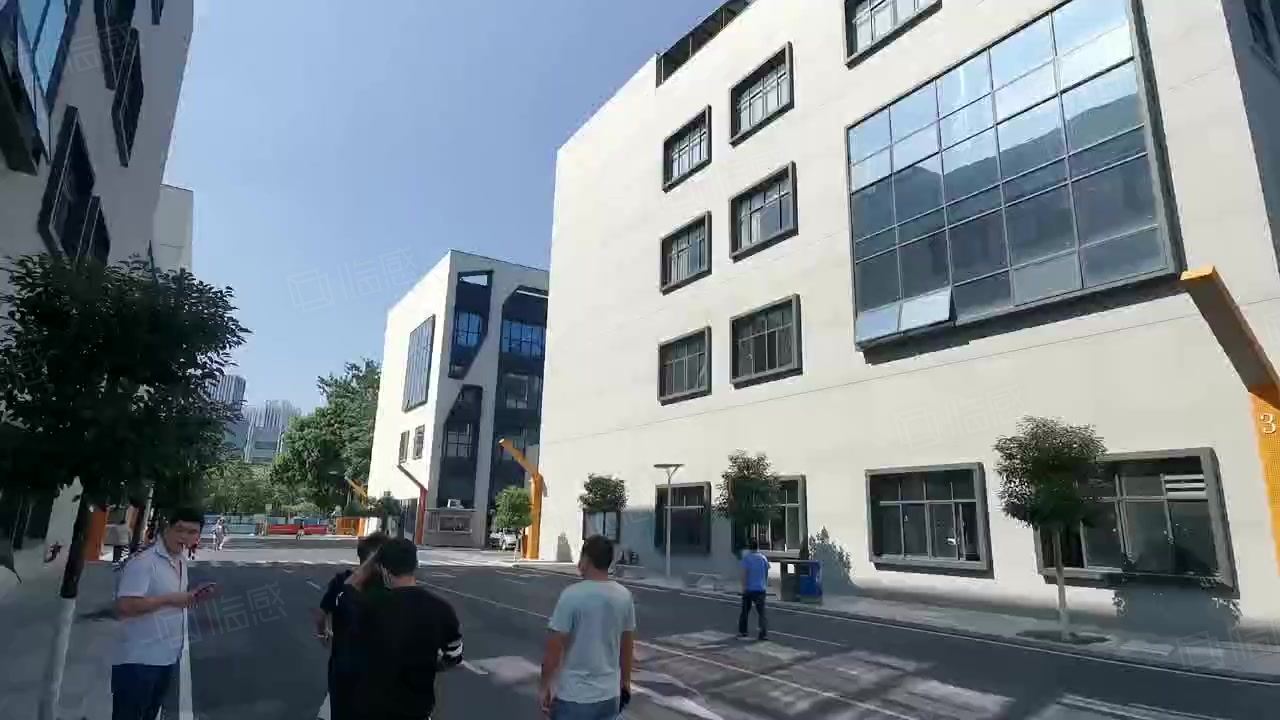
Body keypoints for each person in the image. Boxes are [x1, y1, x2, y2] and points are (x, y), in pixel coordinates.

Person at [340, 537, 463, 719]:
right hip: (417, 710)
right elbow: (453, 655)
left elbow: (345, 591)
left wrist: (372, 560)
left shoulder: (367, 607)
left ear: (383, 569)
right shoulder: (441, 609)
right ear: (416, 565)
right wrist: (427, 665)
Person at [112, 507, 215, 720]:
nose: (184, 536)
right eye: (180, 529)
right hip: (138, 661)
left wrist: (190, 598)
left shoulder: (180, 560)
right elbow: (125, 605)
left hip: (166, 658)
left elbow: (172, 600)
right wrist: (169, 599)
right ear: (167, 528)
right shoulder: (144, 562)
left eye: (192, 532)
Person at [539, 535, 635, 720]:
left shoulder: (571, 596)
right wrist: (625, 682)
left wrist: (545, 685)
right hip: (609, 697)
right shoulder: (624, 596)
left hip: (573, 697)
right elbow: (627, 645)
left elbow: (554, 648)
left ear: (586, 559)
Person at [315, 531, 389, 720]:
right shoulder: (389, 588)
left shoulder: (341, 582)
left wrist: (323, 632)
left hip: (343, 668)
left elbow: (321, 614)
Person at [738, 539, 769, 641]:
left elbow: (744, 574)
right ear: (758, 547)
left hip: (749, 589)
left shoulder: (747, 558)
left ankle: (743, 631)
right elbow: (766, 572)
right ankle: (763, 634)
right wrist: (764, 584)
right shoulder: (763, 558)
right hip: (760, 588)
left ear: (749, 547)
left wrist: (744, 587)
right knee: (762, 613)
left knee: (745, 611)